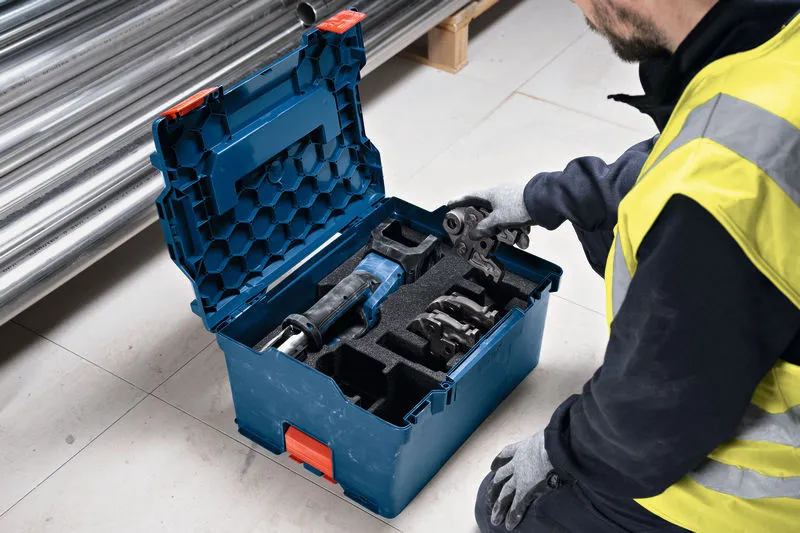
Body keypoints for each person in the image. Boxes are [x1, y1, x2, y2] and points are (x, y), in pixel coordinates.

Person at [450, 1, 800, 531]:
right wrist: (543, 196)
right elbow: (687, 148)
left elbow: (646, 430)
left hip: (767, 499)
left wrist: (556, 448)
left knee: (503, 507)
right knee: (620, 222)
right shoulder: (769, 42)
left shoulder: (716, 196)